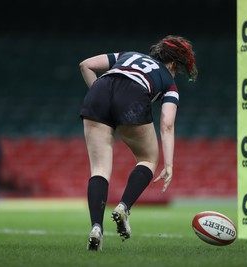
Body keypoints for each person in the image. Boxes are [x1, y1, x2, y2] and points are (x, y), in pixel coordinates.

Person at [79, 35, 198, 251]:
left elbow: (86, 65)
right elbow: (167, 124)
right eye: (178, 69)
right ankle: (124, 207)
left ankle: (96, 227)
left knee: (99, 169)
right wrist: (169, 164)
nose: (176, 74)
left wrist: (101, 96)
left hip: (99, 91)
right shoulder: (169, 83)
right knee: (148, 159)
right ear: (172, 63)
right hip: (132, 95)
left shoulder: (127, 54)